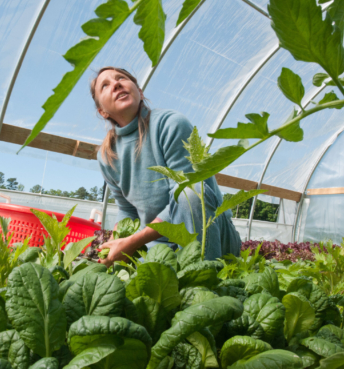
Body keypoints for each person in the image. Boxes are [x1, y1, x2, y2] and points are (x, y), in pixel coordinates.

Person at [91, 67, 241, 267]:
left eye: (122, 78)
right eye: (105, 85)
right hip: (156, 245)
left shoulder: (169, 124)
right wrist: (117, 239)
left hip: (210, 234)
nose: (116, 84)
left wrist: (133, 242)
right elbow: (127, 209)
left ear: (140, 91)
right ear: (102, 111)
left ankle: (205, 276)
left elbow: (188, 198)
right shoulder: (107, 155)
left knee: (190, 192)